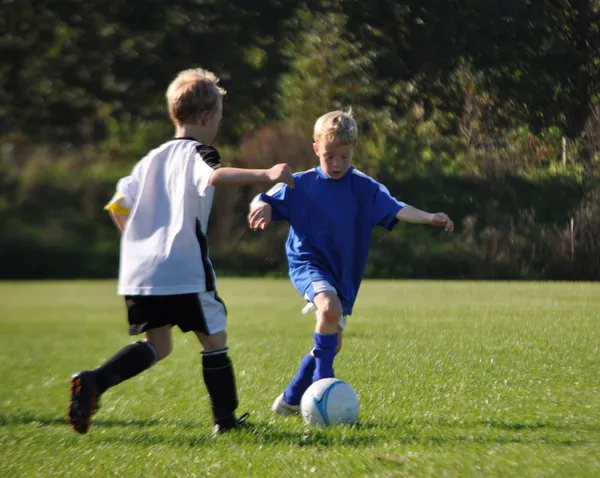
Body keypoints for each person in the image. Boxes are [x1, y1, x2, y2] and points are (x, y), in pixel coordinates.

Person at [67, 68, 294, 435]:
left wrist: (142, 244)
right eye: (219, 117)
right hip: (183, 268)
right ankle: (226, 423)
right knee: (214, 339)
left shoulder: (149, 160)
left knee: (158, 344)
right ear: (206, 117)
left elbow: (118, 206)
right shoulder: (198, 151)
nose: (218, 124)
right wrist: (266, 174)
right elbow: (215, 176)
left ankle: (94, 381)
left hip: (141, 273)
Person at [247, 109, 454, 415]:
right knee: (329, 309)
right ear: (317, 148)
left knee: (332, 337)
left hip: (344, 274)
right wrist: (261, 207)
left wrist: (428, 217)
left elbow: (395, 208)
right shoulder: (299, 184)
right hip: (308, 264)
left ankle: (291, 398)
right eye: (329, 156)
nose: (336, 164)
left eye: (343, 156)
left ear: (354, 149)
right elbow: (263, 197)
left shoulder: (364, 187)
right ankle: (321, 398)